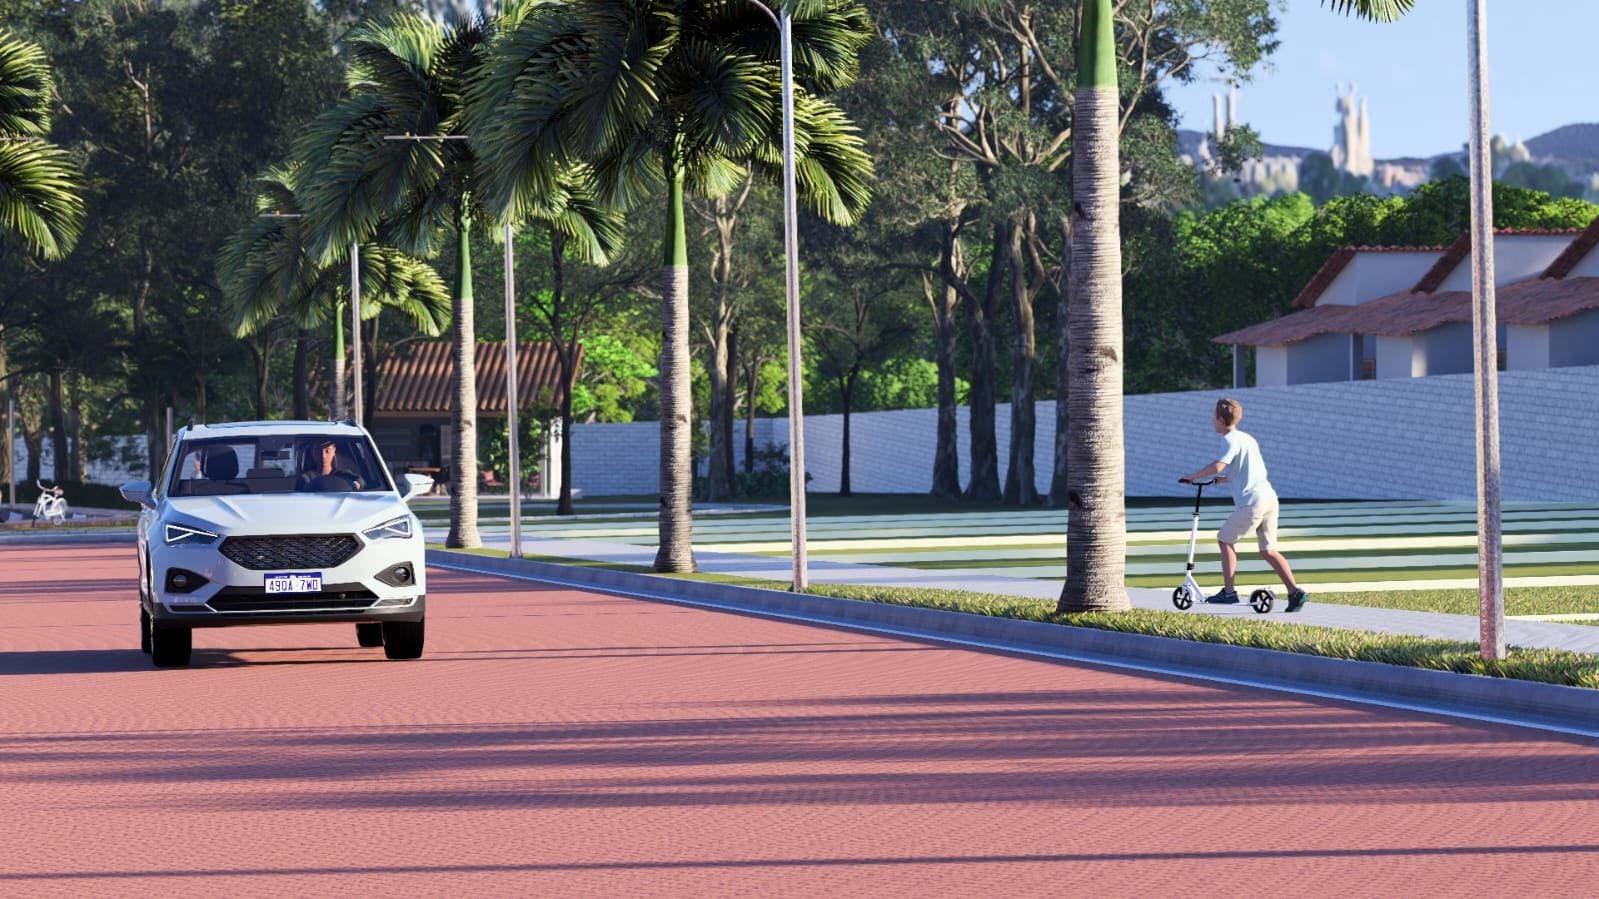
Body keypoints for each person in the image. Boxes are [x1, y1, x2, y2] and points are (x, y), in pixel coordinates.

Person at [1180, 398, 1309, 613]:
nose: (1212, 421)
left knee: (1224, 539)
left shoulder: (1229, 440)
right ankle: (1295, 592)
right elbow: (1242, 469)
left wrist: (1192, 477)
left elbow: (1219, 465)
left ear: (1221, 420)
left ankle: (1229, 593)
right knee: (1268, 550)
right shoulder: (1247, 438)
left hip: (1252, 502)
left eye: (1213, 417)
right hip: (1269, 497)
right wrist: (1222, 480)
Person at [297, 438, 363, 492]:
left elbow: (363, 482)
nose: (323, 456)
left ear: (334, 451)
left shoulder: (344, 475)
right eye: (318, 450)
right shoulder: (306, 478)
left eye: (327, 450)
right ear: (312, 452)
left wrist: (357, 484)